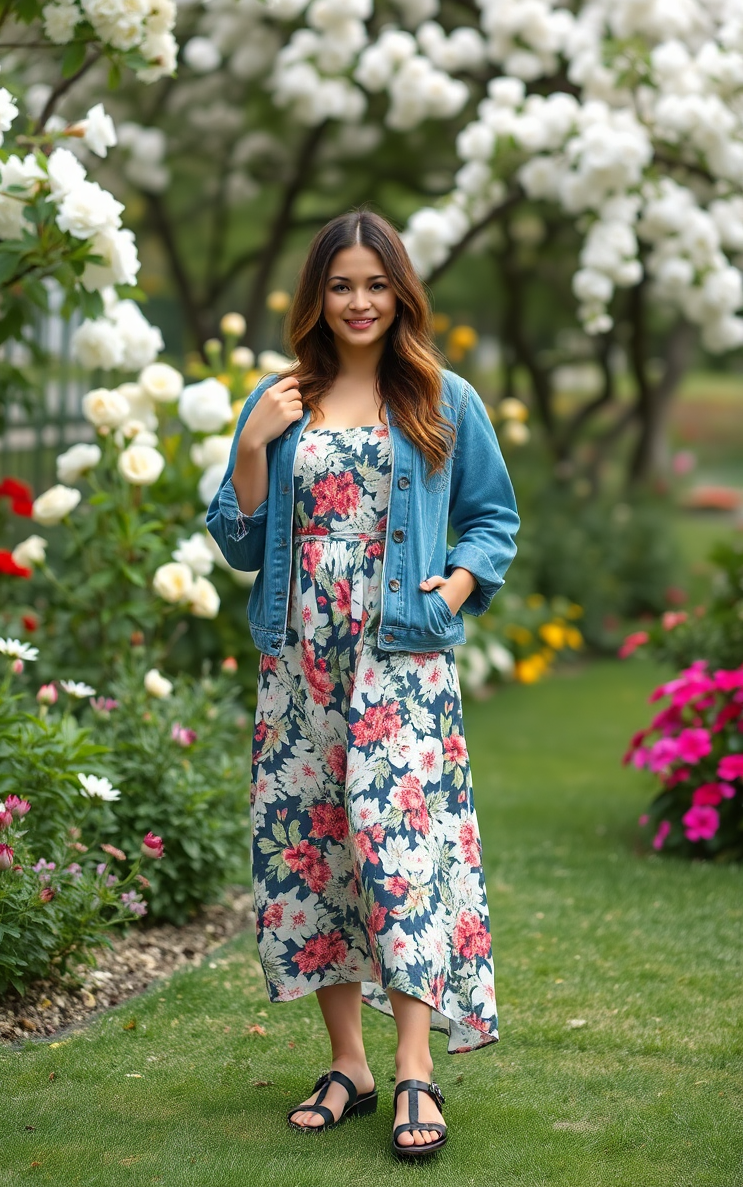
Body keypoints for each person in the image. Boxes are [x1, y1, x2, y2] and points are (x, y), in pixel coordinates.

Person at [206, 209, 519, 1160]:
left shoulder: (439, 396)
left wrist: (460, 581)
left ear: (400, 292)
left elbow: (492, 519)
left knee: (402, 851)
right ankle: (350, 1061)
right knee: (314, 851)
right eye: (340, 285)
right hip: (300, 666)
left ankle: (416, 1064)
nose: (358, 302)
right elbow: (237, 542)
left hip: (401, 665)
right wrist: (255, 446)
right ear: (317, 296)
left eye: (375, 284)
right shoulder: (280, 398)